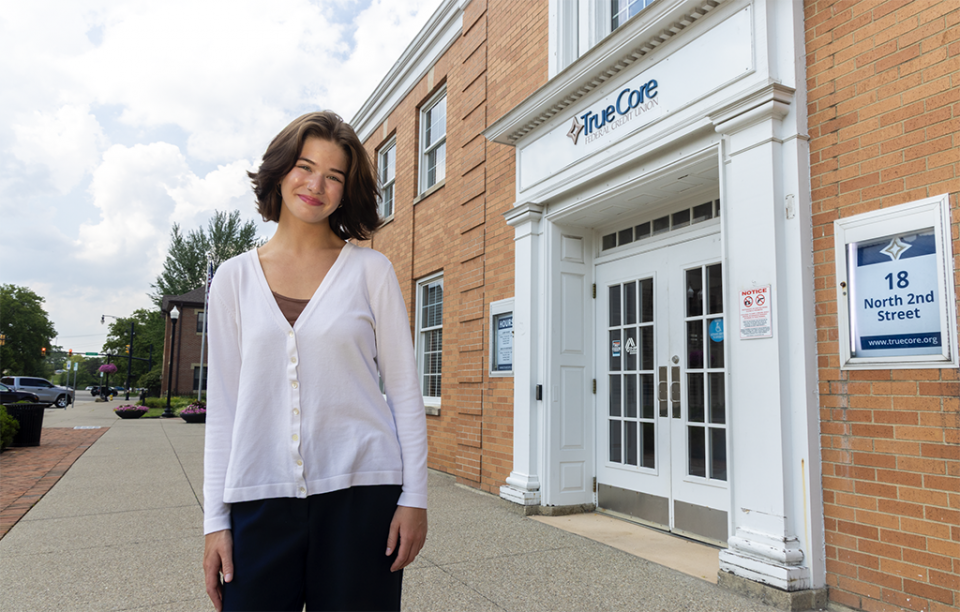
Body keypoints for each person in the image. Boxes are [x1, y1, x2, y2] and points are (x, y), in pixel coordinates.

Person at [202, 111, 429, 612]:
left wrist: (415, 499)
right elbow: (223, 410)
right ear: (281, 171)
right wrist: (216, 521)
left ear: (346, 191)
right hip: (259, 498)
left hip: (363, 499)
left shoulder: (372, 270)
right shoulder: (234, 280)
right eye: (305, 167)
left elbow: (405, 394)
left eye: (334, 175)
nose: (315, 185)